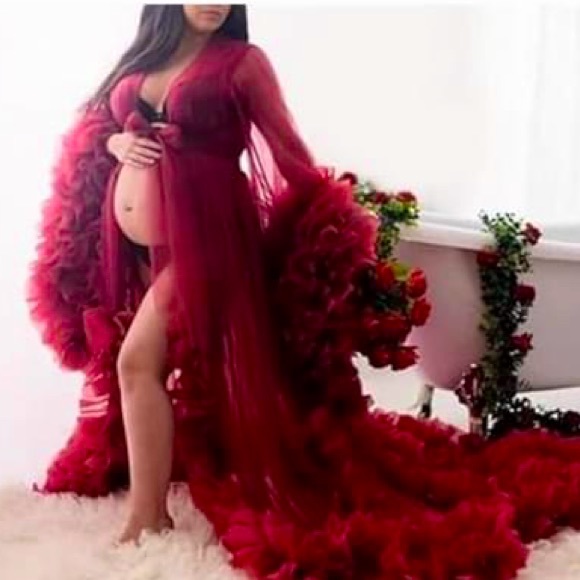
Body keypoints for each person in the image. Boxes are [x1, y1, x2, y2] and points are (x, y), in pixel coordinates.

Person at [27, 4, 580, 578]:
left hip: (209, 244)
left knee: (136, 363)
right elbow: (103, 124)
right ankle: (155, 490)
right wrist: (118, 146)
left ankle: (148, 517)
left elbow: (288, 155)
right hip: (143, 251)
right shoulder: (147, 57)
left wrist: (340, 225)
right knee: (159, 371)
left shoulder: (242, 63)